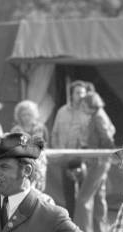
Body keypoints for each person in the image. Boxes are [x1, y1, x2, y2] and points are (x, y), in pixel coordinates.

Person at [73, 92, 115, 232]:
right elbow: (111, 131)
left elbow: (107, 138)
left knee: (83, 198)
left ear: (90, 105)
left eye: (84, 105)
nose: (82, 107)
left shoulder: (97, 117)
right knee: (98, 198)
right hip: (101, 161)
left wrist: (99, 151)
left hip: (98, 161)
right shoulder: (100, 115)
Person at [50, 80, 91, 216]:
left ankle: (82, 224)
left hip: (83, 160)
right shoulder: (62, 111)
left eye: (83, 93)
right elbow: (54, 133)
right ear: (71, 95)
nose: (81, 95)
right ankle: (71, 223)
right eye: (78, 93)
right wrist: (59, 151)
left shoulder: (88, 113)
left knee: (84, 196)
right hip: (65, 159)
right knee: (69, 194)